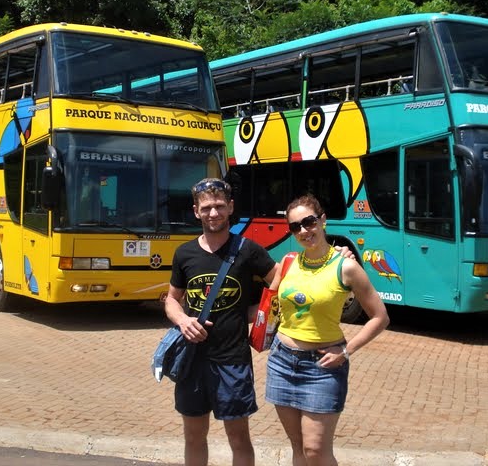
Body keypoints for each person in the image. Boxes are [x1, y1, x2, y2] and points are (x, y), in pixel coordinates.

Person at [265, 193, 390, 466]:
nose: (303, 231)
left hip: (322, 367)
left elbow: (380, 317)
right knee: (297, 448)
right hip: (281, 361)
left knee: (316, 451)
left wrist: (346, 350)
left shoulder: (346, 267)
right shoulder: (287, 263)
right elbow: (269, 304)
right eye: (295, 227)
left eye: (308, 222)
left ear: (322, 221)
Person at [164, 177, 278, 466]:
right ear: (195, 211)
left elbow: (282, 281)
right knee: (193, 437)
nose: (213, 213)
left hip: (232, 360)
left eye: (218, 206)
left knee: (239, 440)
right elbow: (171, 299)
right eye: (206, 208)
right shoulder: (184, 253)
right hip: (192, 361)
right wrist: (182, 320)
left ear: (230, 207)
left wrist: (255, 313)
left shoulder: (248, 250)